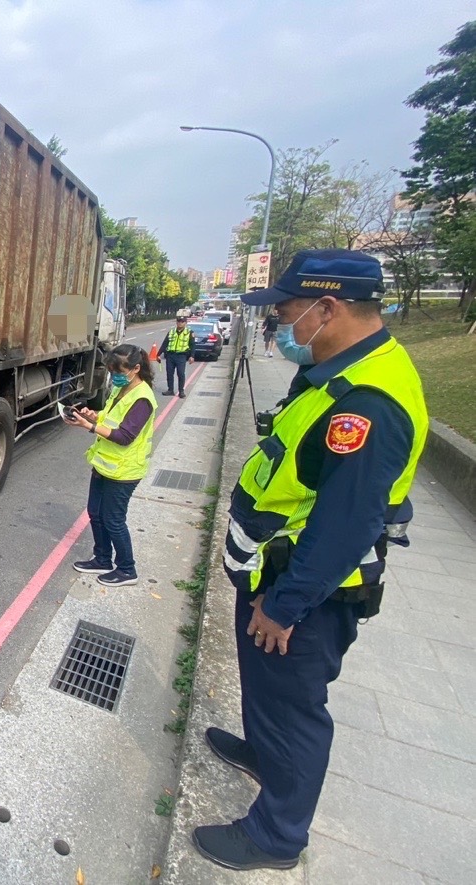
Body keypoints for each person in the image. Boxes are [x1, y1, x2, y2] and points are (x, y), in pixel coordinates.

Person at [193, 249, 428, 871]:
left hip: (305, 596)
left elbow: (348, 523)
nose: (280, 326)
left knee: (296, 713)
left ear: (327, 309)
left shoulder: (366, 403)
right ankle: (261, 755)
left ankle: (275, 837)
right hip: (276, 575)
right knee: (270, 697)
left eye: (288, 312)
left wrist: (285, 605)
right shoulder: (335, 372)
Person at [66, 344, 158, 587]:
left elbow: (125, 436)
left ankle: (127, 569)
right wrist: (93, 416)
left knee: (113, 520)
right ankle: (103, 558)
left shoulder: (143, 398)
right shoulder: (121, 389)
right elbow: (110, 419)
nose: (115, 375)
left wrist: (89, 427)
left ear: (136, 369)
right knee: (95, 513)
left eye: (119, 371)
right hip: (104, 464)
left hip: (124, 470)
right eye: (111, 370)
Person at [157, 314, 195, 397]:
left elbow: (192, 345)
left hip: (181, 356)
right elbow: (165, 343)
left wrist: (192, 356)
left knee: (181, 373)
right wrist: (158, 354)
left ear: (185, 323)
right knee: (169, 373)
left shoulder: (189, 332)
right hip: (170, 355)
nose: (180, 323)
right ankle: (170, 390)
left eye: (182, 322)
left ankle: (181, 391)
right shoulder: (171, 331)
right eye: (178, 321)